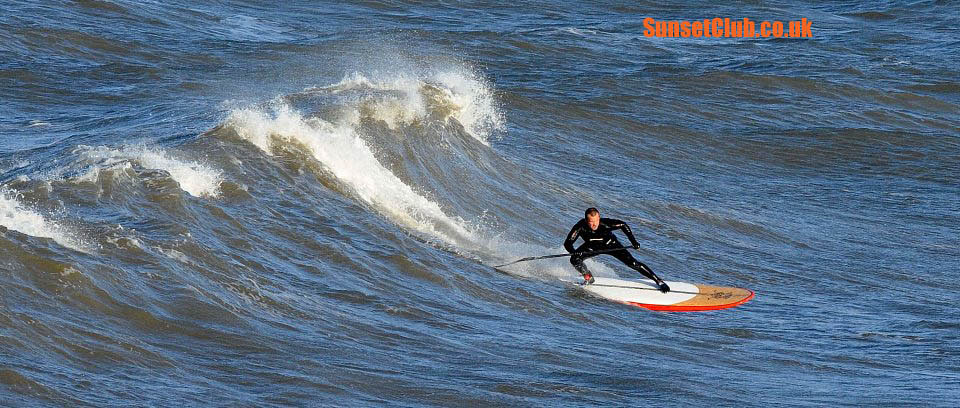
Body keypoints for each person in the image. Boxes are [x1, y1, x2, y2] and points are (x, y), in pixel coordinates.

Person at [564, 208, 670, 292]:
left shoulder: (605, 223)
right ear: (586, 221)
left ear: (599, 218)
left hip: (612, 246)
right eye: (591, 222)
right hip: (592, 247)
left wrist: (633, 241)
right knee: (574, 259)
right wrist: (573, 251)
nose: (594, 224)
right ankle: (588, 277)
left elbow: (623, 225)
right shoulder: (579, 227)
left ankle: (658, 281)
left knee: (633, 263)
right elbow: (567, 243)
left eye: (596, 221)